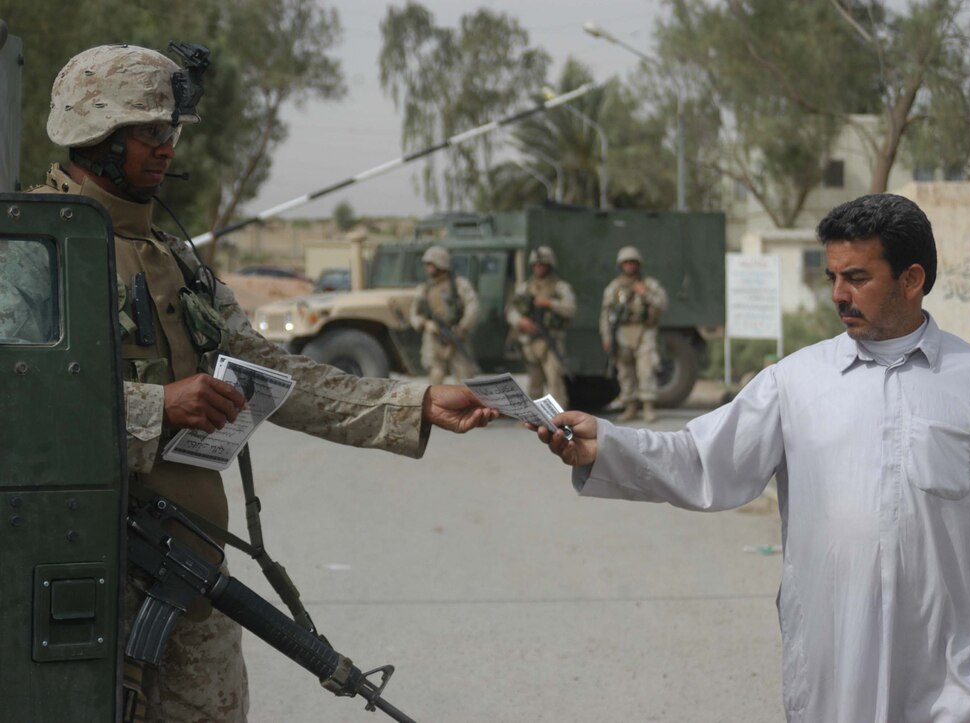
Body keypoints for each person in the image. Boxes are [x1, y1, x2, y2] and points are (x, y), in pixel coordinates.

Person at [37, 43, 498, 723]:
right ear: (95, 135)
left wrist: (415, 402)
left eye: (172, 132)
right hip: (80, 596)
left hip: (188, 588)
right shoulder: (34, 251)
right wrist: (156, 407)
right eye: (150, 133)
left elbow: (275, 372)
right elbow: (23, 408)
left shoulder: (174, 261)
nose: (167, 149)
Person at [536, 193, 970, 722]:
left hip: (948, 669)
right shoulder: (795, 382)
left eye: (858, 277)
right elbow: (702, 457)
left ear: (912, 279)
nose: (838, 295)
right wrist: (605, 444)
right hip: (833, 661)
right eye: (832, 277)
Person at [600, 246, 667, 422]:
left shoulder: (649, 284)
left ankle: (648, 408)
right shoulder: (614, 287)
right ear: (621, 265)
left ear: (638, 264)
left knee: (646, 369)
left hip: (644, 330)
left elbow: (662, 303)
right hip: (622, 332)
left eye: (632, 263)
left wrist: (645, 294)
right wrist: (606, 336)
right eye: (626, 263)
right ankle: (630, 407)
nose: (629, 266)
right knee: (625, 372)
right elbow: (605, 314)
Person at [505, 245, 576, 408]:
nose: (538, 268)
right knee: (534, 381)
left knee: (554, 380)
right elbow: (511, 310)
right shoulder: (525, 287)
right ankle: (534, 416)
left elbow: (570, 308)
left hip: (551, 340)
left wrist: (550, 303)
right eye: (536, 265)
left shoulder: (560, 287)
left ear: (549, 266)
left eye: (542, 265)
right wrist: (520, 322)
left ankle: (559, 416)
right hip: (530, 341)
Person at [409, 244, 481, 384]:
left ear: (441, 263)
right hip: (433, 339)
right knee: (435, 378)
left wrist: (462, 327)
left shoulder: (459, 285)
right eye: (427, 264)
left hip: (456, 335)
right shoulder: (424, 289)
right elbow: (414, 315)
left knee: (465, 381)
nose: (428, 267)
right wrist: (426, 323)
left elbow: (473, 307)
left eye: (431, 263)